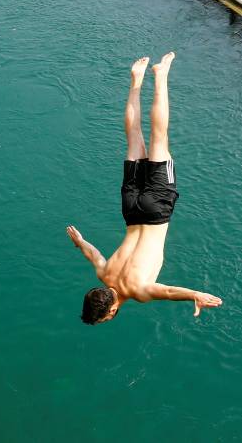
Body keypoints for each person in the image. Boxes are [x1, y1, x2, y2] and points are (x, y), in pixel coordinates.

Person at [67, 54, 223, 325]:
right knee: (134, 137)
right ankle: (136, 80)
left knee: (159, 137)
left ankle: (161, 75)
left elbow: (168, 291)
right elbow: (93, 254)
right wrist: (80, 241)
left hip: (157, 210)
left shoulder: (138, 291)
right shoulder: (104, 274)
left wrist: (195, 295)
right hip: (131, 210)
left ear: (112, 311)